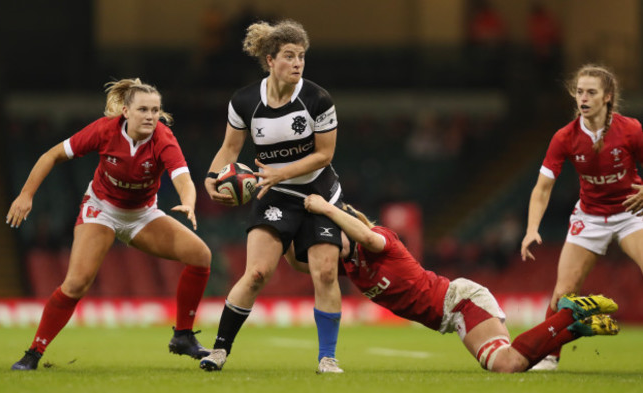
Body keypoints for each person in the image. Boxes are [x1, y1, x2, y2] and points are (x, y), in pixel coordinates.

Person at [7, 78, 212, 370]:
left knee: (201, 256)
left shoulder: (163, 138)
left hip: (142, 214)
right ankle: (34, 353)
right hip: (101, 209)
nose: (151, 116)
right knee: (76, 284)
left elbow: (183, 178)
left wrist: (188, 201)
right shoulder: (104, 131)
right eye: (143, 109)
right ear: (126, 112)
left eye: (155, 110)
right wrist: (26, 196)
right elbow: (51, 155)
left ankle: (182, 336)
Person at [286, 194, 619, 373]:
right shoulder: (351, 266)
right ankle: (578, 326)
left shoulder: (379, 239)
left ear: (348, 225)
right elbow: (304, 266)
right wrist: (286, 235)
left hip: (461, 302)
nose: (328, 244)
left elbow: (363, 234)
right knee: (515, 363)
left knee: (506, 365)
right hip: (453, 315)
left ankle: (567, 313)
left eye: (331, 236)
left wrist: (327, 208)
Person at [201, 20, 345, 373]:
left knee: (326, 272)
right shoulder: (245, 101)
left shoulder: (317, 98)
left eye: (302, 57)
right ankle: (219, 350)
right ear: (270, 60)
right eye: (289, 56)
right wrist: (209, 177)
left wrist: (282, 171)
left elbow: (324, 155)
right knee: (256, 274)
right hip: (275, 194)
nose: (298, 63)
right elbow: (229, 149)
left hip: (318, 192)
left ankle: (327, 357)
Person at [521, 64, 643, 370]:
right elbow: (542, 189)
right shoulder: (565, 137)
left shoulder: (631, 129)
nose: (583, 98)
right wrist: (531, 228)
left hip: (631, 213)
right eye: (579, 92)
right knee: (564, 292)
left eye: (591, 92)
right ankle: (549, 356)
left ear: (607, 97)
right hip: (589, 217)